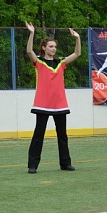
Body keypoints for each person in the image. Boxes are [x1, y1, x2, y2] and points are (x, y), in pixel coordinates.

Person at [24, 22, 81, 173]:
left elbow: (77, 54)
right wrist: (31, 33)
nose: (53, 49)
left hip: (60, 104)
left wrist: (77, 38)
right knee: (38, 135)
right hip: (43, 104)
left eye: (54, 46)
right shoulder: (39, 62)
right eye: (50, 46)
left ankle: (65, 163)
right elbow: (29, 51)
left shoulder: (60, 62)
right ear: (44, 48)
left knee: (62, 135)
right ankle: (32, 165)